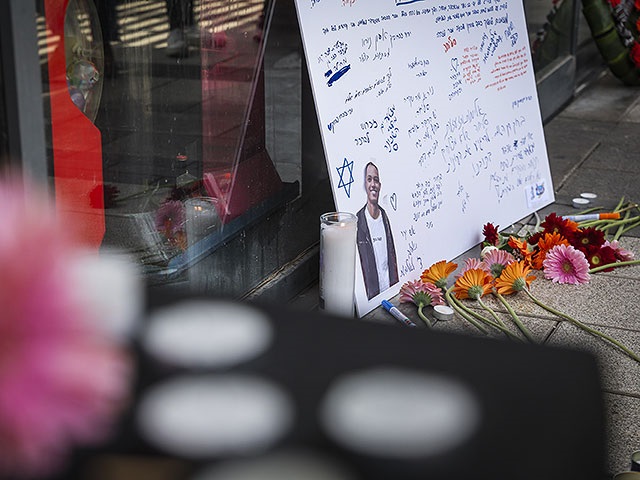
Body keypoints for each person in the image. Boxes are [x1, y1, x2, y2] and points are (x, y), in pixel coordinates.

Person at [356, 162, 399, 300]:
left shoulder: (386, 218)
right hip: (371, 300)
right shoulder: (359, 221)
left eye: (376, 180)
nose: (373, 184)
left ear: (380, 185)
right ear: (365, 184)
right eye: (369, 180)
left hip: (392, 294)